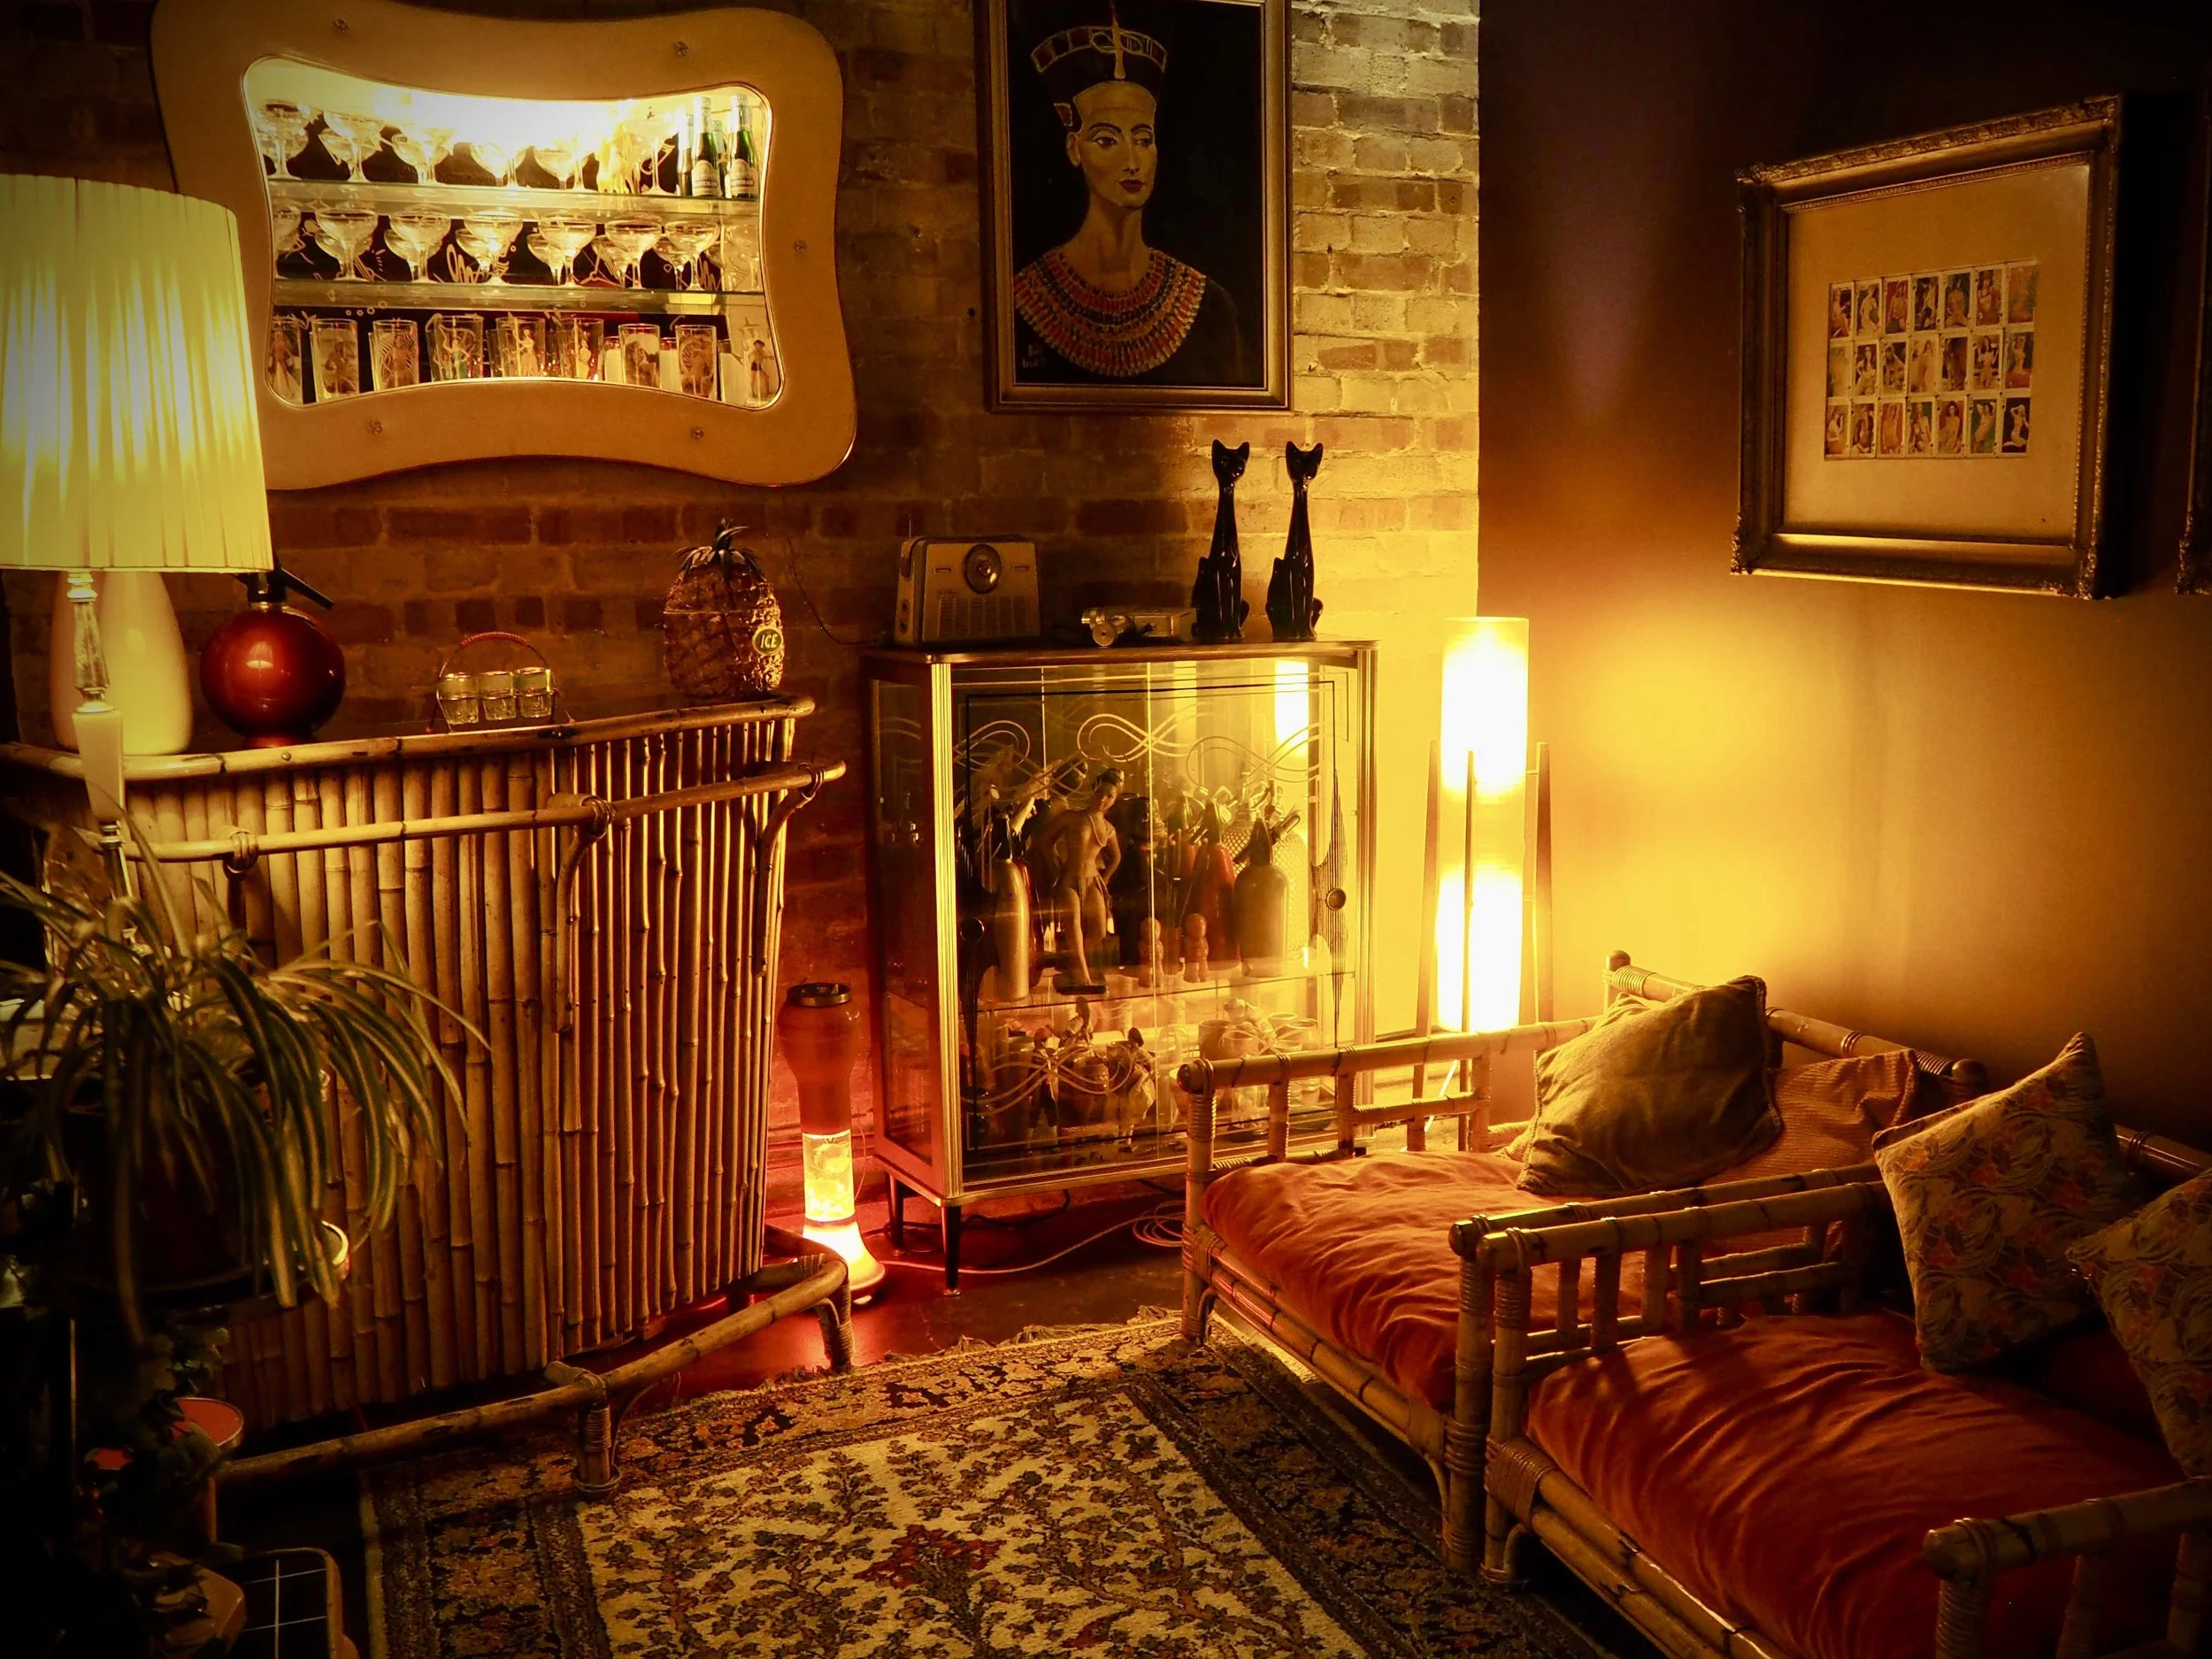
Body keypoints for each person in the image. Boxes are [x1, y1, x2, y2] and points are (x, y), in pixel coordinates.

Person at [1012, 4, 1248, 385]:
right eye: (1107, 140)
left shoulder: (1209, 308)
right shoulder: (1025, 300)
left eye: (1143, 139)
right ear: (1075, 149)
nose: (1132, 161)